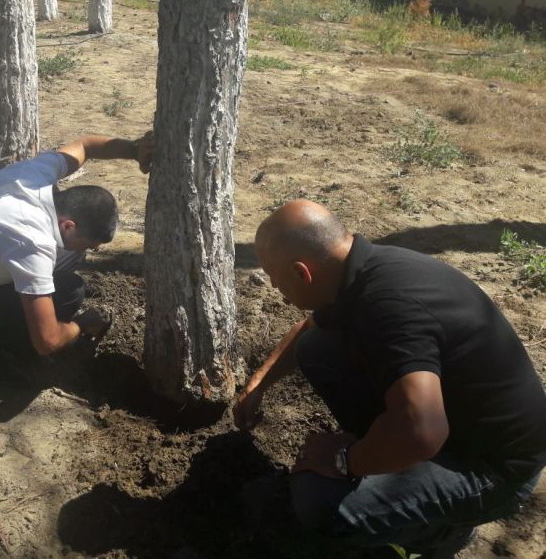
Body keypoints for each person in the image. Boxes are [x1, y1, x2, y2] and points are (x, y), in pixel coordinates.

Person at [233, 200, 546, 558]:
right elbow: (310, 328)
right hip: (455, 424)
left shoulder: (390, 308)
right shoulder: (360, 269)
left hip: (495, 469)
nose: (276, 289)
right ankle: (386, 455)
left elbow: (423, 432)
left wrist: (342, 460)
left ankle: (443, 535)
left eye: (276, 279)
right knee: (317, 346)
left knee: (318, 499)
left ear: (302, 273)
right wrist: (258, 383)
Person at [0, 133, 154, 365]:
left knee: (65, 261)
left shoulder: (36, 174)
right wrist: (81, 324)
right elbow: (47, 341)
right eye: (89, 244)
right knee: (70, 291)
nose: (90, 250)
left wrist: (135, 150)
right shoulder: (32, 242)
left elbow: (85, 145)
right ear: (68, 225)